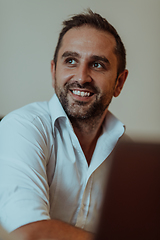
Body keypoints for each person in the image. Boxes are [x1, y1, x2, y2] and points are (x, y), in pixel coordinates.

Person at [0, 9, 128, 240]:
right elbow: (29, 232)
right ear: (53, 71)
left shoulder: (129, 155)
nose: (81, 77)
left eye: (97, 65)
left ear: (119, 82)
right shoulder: (22, 127)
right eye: (71, 61)